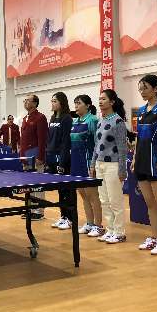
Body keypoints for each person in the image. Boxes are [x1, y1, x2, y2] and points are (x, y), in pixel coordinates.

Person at [130, 75, 157, 255]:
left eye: (145, 88)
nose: (142, 92)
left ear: (156, 89)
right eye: (140, 89)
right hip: (141, 160)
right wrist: (134, 158)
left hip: (155, 160)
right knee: (150, 202)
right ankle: (154, 238)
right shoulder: (141, 111)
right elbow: (138, 137)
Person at [90, 89, 128, 244]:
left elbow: (122, 148)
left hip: (113, 165)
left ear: (112, 102)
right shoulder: (101, 121)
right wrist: (93, 164)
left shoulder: (118, 122)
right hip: (100, 165)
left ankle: (119, 232)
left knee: (115, 201)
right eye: (99, 99)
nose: (100, 101)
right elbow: (96, 145)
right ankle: (110, 229)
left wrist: (122, 169)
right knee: (104, 200)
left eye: (103, 99)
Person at [70, 95, 104, 237]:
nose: (76, 106)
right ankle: (90, 223)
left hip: (88, 162)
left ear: (88, 105)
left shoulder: (93, 120)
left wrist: (93, 164)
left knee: (92, 195)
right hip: (76, 162)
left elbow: (98, 143)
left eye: (79, 103)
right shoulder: (75, 121)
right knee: (83, 194)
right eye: (75, 103)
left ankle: (99, 225)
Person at [46, 93, 74, 229]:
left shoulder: (67, 118)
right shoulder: (52, 119)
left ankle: (70, 218)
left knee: (66, 190)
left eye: (55, 101)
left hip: (61, 158)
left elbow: (66, 142)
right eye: (52, 101)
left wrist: (62, 162)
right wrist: (47, 159)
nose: (52, 103)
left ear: (62, 102)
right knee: (59, 190)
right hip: (51, 157)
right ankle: (63, 217)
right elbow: (49, 139)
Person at [19, 94, 48, 220]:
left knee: (37, 184)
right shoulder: (25, 118)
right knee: (28, 185)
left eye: (28, 100)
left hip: (35, 156)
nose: (25, 102)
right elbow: (23, 140)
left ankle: (39, 211)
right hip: (25, 157)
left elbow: (42, 139)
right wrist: (21, 156)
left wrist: (40, 157)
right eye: (24, 100)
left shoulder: (40, 117)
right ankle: (30, 209)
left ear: (35, 103)